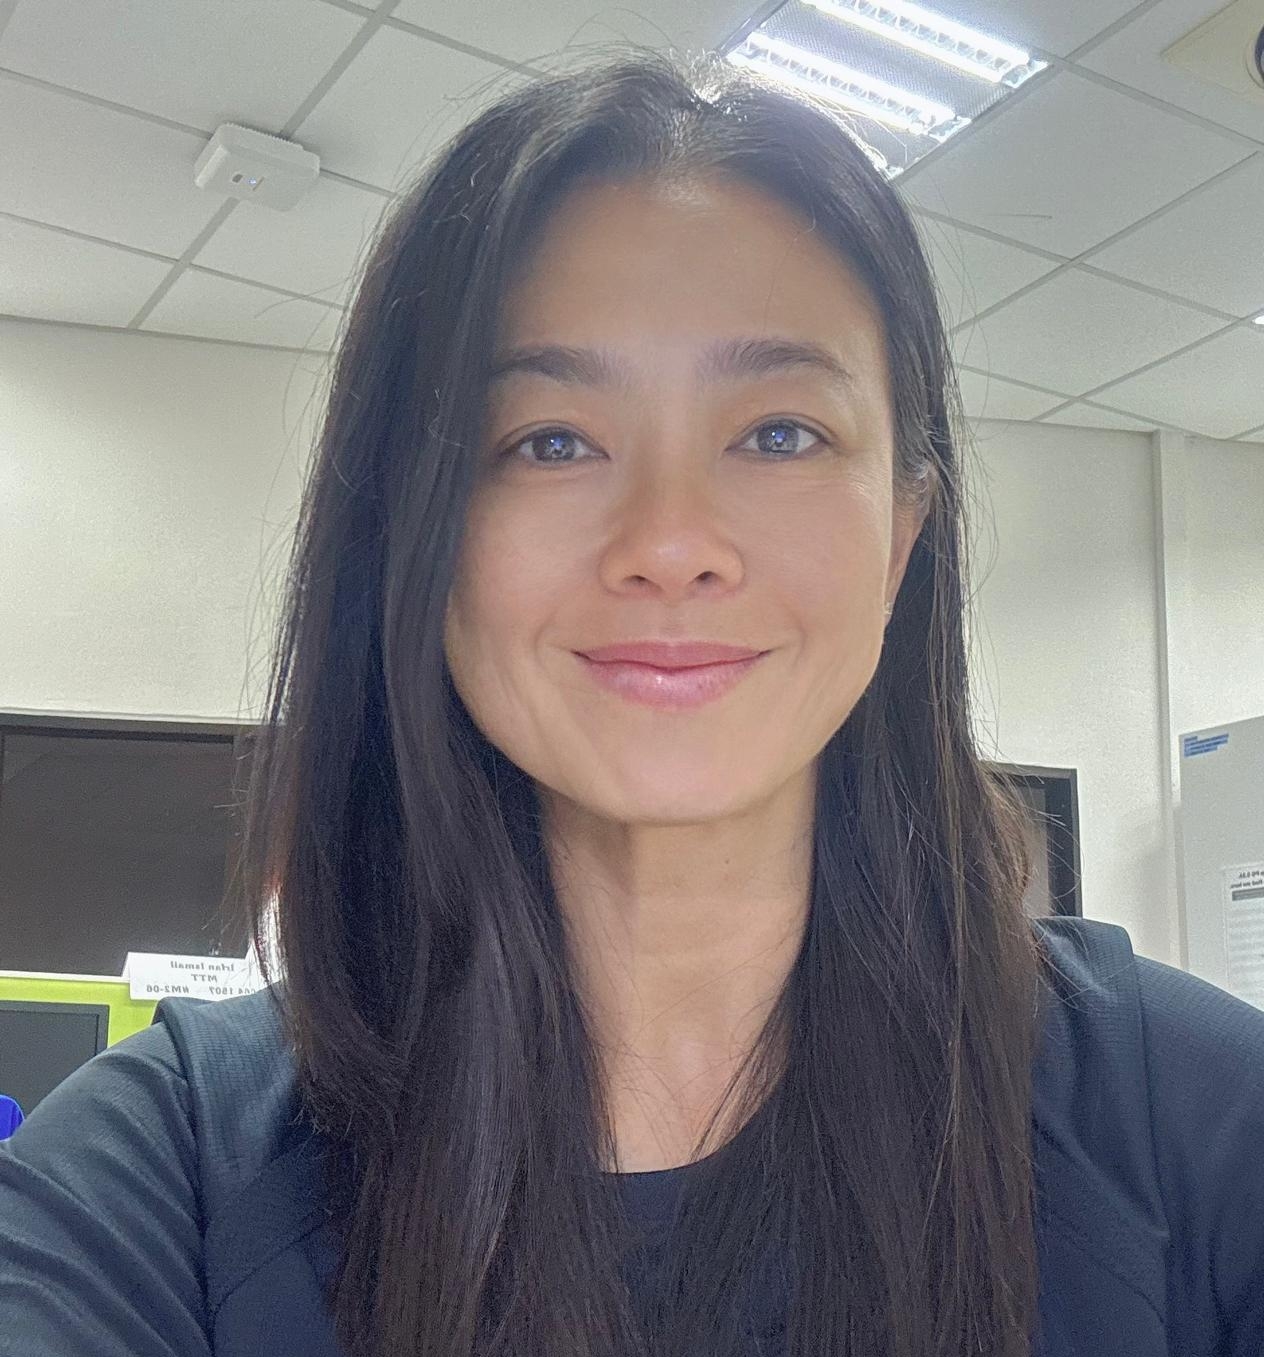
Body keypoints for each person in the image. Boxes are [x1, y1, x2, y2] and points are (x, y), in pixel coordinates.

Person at [1, 47, 1262, 1357]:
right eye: (550, 441)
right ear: (416, 536)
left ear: (903, 536)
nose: (669, 541)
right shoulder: (160, 1178)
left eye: (779, 433)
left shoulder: (1194, 1125)